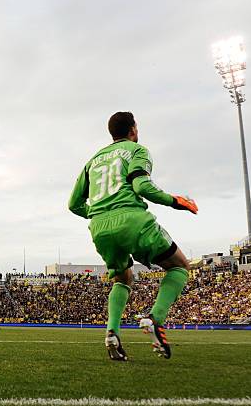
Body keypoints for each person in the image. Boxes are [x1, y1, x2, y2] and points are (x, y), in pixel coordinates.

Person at [69, 111, 197, 361]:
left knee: (122, 279)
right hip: (132, 220)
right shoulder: (137, 150)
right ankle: (155, 319)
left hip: (99, 228)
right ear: (133, 129)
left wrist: (100, 212)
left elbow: (74, 204)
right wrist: (177, 201)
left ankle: (112, 333)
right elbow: (142, 187)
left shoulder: (92, 161)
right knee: (179, 266)